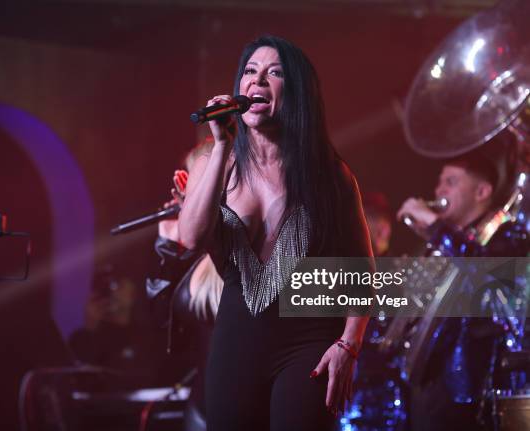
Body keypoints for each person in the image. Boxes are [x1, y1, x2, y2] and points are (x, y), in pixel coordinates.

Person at [178, 35, 373, 430]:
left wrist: (348, 347)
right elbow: (190, 239)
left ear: (297, 91)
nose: (257, 81)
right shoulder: (213, 161)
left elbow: (362, 273)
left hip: (310, 341)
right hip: (237, 342)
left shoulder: (331, 175)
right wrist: (220, 147)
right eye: (250, 72)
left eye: (274, 73)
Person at [395, 143, 529, 431]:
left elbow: (488, 277)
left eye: (451, 182)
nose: (439, 190)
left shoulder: (507, 232)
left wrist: (435, 227)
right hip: (430, 388)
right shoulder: (447, 242)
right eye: (440, 182)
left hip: (470, 393)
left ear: (481, 192)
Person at [146, 140, 223, 431]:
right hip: (202, 412)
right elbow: (163, 327)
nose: (183, 197)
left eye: (192, 187)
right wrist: (168, 249)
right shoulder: (193, 258)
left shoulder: (256, 241)